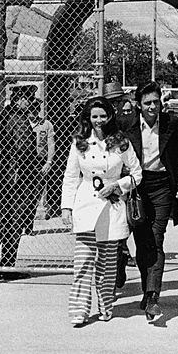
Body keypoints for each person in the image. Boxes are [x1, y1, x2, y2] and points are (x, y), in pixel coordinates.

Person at [61, 95, 142, 326]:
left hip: (112, 207)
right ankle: (79, 311)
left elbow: (137, 173)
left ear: (110, 117)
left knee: (107, 264)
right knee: (83, 262)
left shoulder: (121, 142)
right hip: (86, 207)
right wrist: (66, 207)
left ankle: (106, 306)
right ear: (88, 118)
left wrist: (118, 185)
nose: (99, 121)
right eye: (94, 116)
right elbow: (70, 177)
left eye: (103, 116)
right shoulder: (79, 143)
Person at [123, 80, 178, 323]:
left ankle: (153, 296)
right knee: (142, 241)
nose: (153, 107)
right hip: (137, 186)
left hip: (163, 185)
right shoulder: (128, 125)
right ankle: (146, 288)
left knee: (156, 237)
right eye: (147, 103)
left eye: (156, 101)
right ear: (138, 105)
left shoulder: (171, 123)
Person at [0, 87, 41, 275]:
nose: (30, 102)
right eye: (28, 98)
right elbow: (25, 149)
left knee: (2, 218)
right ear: (19, 99)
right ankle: (7, 266)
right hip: (16, 176)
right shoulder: (19, 120)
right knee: (15, 221)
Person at [103, 81, 139, 290]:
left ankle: (119, 263)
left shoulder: (129, 121)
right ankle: (116, 263)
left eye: (118, 101)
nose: (116, 106)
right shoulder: (102, 124)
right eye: (112, 102)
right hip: (105, 181)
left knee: (121, 228)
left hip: (123, 182)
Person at [29, 98, 56, 226]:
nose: (33, 112)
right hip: (25, 161)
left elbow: (51, 144)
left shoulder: (46, 124)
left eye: (36, 109)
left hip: (40, 161)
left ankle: (29, 223)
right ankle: (22, 222)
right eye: (31, 109)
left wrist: (49, 162)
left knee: (37, 192)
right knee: (23, 194)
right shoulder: (22, 123)